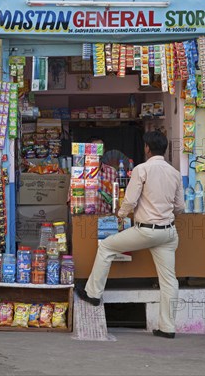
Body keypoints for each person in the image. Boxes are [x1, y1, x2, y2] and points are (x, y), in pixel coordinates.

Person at [76, 131, 185, 339]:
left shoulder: (141, 169)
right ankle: (167, 328)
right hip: (169, 233)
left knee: (107, 246)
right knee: (169, 280)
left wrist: (121, 215)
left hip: (146, 230)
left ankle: (93, 293)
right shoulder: (175, 173)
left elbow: (130, 199)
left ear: (146, 148)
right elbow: (180, 207)